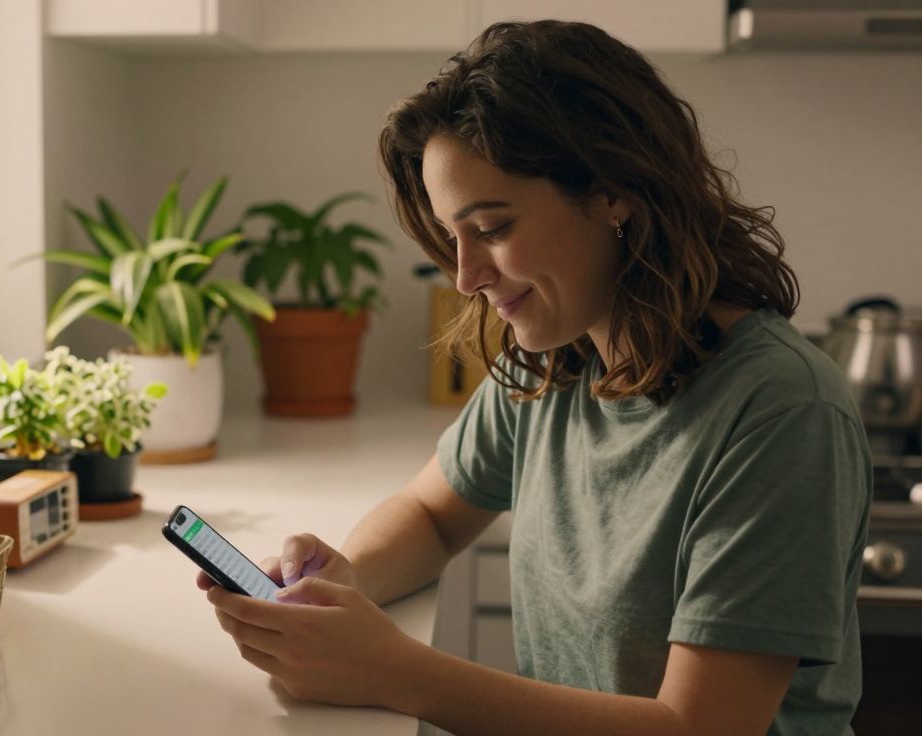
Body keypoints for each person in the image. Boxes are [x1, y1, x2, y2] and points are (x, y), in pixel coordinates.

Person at [197, 19, 871, 736]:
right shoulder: (557, 357)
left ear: (614, 193)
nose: (465, 275)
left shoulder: (781, 411)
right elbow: (430, 515)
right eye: (452, 237)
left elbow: (699, 727)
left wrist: (393, 670)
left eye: (491, 228)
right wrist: (342, 582)